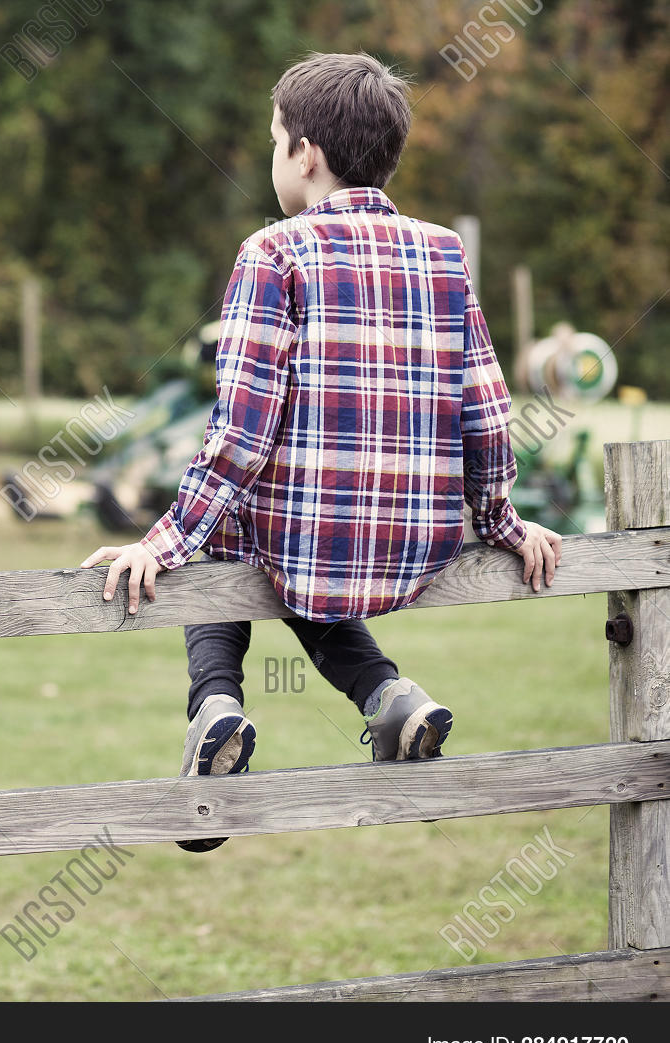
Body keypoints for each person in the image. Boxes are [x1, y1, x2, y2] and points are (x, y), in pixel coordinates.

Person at [79, 51, 563, 852]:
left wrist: (162, 541)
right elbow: (486, 408)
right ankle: (387, 697)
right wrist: (504, 521)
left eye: (276, 142)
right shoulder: (444, 252)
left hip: (308, 544)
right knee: (299, 556)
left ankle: (216, 706)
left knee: (223, 538)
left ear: (305, 153)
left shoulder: (272, 252)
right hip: (413, 544)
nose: (275, 159)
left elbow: (240, 431)